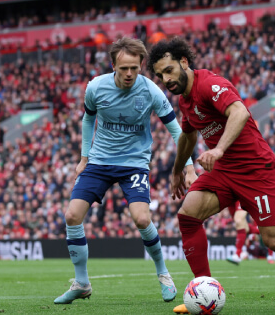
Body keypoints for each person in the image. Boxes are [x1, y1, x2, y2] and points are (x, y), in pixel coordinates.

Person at [147, 37, 275, 313]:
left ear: (184, 62)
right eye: (160, 75)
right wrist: (178, 170)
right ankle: (202, 292)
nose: (165, 79)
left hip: (255, 169)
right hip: (225, 171)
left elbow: (239, 111)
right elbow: (187, 137)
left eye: (169, 70)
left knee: (273, 239)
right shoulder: (186, 101)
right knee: (188, 215)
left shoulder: (209, 84)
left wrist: (219, 149)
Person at [54, 37, 196, 304]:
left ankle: (163, 274)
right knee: (72, 215)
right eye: (124, 69)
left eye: (135, 67)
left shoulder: (152, 91)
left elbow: (177, 129)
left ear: (141, 65)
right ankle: (81, 283)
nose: (130, 73)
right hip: (99, 161)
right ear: (113, 66)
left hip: (134, 162)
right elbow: (88, 119)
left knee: (142, 219)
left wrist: (188, 166)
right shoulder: (96, 87)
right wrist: (84, 158)